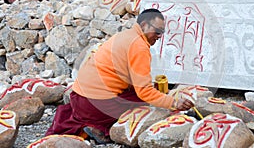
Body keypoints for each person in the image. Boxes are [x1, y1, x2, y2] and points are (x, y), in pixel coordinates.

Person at [46, 8, 194, 144]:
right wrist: (174, 103)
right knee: (145, 105)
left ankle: (90, 122)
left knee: (145, 93)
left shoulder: (124, 35)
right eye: (157, 32)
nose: (159, 37)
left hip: (77, 97)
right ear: (143, 25)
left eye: (161, 33)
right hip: (93, 106)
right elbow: (145, 93)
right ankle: (95, 126)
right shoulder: (139, 47)